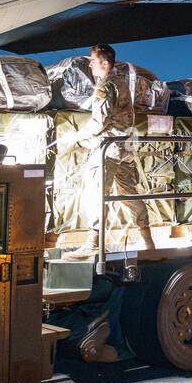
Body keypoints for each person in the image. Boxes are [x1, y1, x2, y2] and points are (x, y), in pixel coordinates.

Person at [62, 44, 151, 259]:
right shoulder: (121, 82)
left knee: (95, 193)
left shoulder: (105, 85)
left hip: (108, 149)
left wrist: (75, 137)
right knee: (128, 193)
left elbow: (98, 122)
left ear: (105, 63)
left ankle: (93, 243)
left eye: (93, 60)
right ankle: (148, 239)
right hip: (124, 148)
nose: (90, 64)